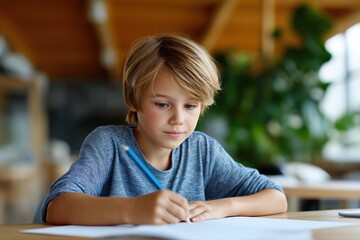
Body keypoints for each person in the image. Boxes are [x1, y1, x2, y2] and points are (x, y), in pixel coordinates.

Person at [42, 34, 287, 226]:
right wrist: (133, 210)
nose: (178, 119)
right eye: (162, 104)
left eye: (190, 106)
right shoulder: (109, 144)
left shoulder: (202, 151)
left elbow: (276, 197)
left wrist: (220, 207)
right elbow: (58, 206)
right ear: (134, 100)